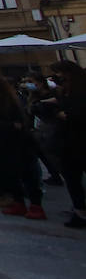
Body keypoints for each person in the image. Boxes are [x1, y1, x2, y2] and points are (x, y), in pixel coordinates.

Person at [0, 72, 45, 219]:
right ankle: (18, 202)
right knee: (9, 174)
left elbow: (18, 124)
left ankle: (36, 205)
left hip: (18, 143)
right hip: (0, 142)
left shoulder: (10, 100)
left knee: (27, 174)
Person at [47, 61, 86, 229]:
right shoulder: (65, 92)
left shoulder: (80, 92)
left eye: (59, 73)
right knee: (72, 179)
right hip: (67, 142)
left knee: (74, 177)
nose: (57, 77)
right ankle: (79, 211)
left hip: (80, 139)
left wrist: (66, 114)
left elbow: (74, 113)